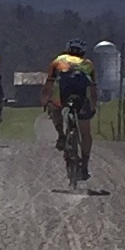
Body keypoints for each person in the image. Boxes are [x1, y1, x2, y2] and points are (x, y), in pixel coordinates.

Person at [43, 38, 98, 171]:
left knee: (55, 108)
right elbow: (92, 89)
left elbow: (49, 83)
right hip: (81, 98)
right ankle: (85, 163)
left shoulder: (58, 61)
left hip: (63, 97)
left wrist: (45, 100)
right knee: (85, 133)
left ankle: (61, 134)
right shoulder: (88, 64)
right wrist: (93, 106)